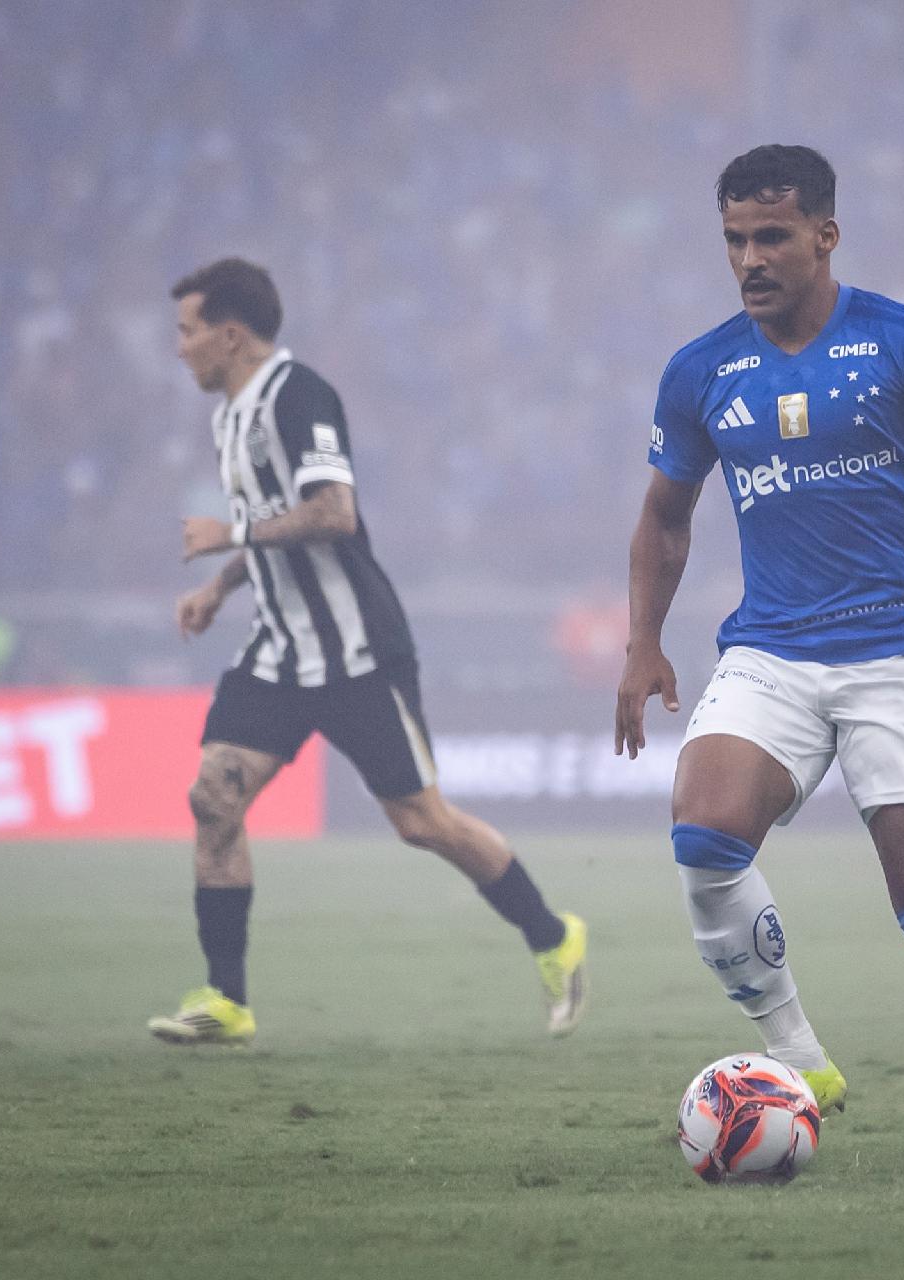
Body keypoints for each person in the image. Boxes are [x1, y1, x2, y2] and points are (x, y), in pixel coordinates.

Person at [616, 145, 904, 1174]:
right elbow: (665, 516)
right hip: (771, 647)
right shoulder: (701, 370)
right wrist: (643, 643)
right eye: (734, 240)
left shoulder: (901, 341)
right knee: (703, 834)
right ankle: (800, 1054)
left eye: (771, 236)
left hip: (894, 649)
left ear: (825, 235)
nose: (750, 259)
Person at [152, 258, 585, 1044]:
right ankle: (227, 999)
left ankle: (552, 935)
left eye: (187, 332)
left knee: (423, 823)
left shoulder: (299, 395)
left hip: (357, 653)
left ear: (231, 334)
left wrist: (228, 533)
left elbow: (334, 512)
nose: (178, 348)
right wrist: (221, 586)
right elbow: (277, 521)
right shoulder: (228, 418)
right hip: (278, 652)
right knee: (213, 798)